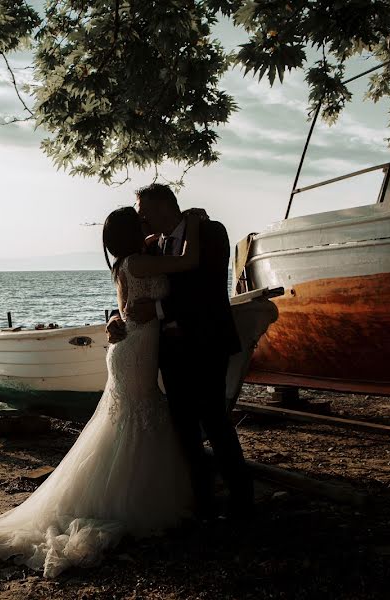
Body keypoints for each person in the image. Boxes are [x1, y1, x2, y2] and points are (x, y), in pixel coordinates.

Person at [0, 206, 204, 578]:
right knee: (135, 421)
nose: (146, 225)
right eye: (140, 223)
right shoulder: (138, 262)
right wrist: (196, 223)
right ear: (131, 234)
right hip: (135, 352)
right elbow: (189, 262)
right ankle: (126, 502)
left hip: (131, 349)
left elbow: (145, 265)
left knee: (132, 421)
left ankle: (132, 493)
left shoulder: (124, 262)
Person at [106, 184, 253, 519]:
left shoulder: (211, 232)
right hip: (170, 350)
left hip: (206, 341)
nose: (140, 218)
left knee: (215, 420)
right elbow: (133, 286)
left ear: (162, 206)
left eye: (143, 210)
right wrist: (117, 316)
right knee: (183, 427)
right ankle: (202, 502)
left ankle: (242, 501)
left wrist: (158, 310)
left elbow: (208, 290)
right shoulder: (153, 246)